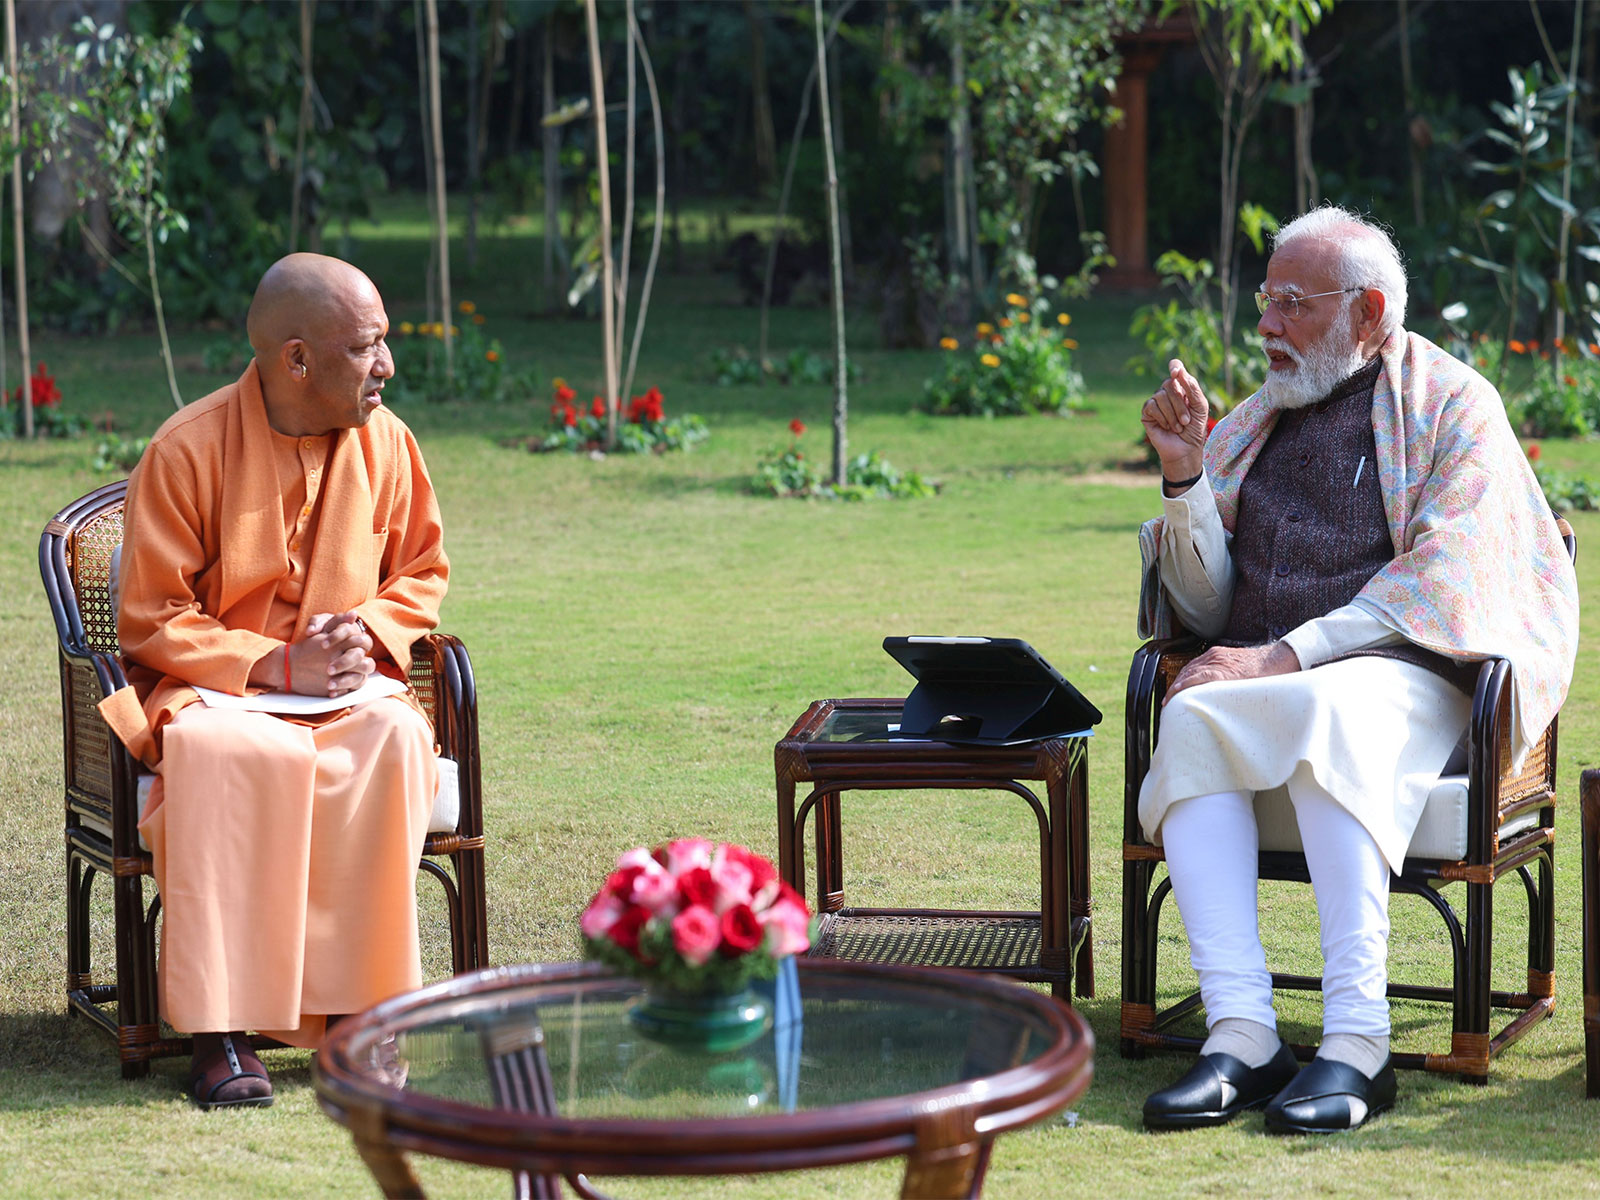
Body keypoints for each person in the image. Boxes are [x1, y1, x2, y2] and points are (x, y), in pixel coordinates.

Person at [1135, 206, 1577, 1134]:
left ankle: (1358, 1045)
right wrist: (1184, 477)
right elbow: (1206, 613)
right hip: (1281, 681)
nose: (1267, 326)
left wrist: (1285, 652)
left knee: (1334, 707)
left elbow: (1445, 580)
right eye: (1266, 301)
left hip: (1414, 671)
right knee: (1190, 712)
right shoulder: (1255, 422)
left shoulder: (1455, 405)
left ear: (1368, 311)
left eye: (1293, 304)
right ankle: (1243, 1035)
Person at [98, 253, 449, 1109]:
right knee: (223, 753)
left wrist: (367, 631)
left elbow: (422, 571)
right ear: (297, 359)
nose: (387, 365)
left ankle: (364, 1017)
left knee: (394, 737)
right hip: (214, 692)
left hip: (347, 696)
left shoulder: (389, 442)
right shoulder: (186, 449)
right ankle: (220, 1031)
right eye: (366, 347)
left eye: (383, 343)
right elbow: (150, 616)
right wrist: (273, 664)